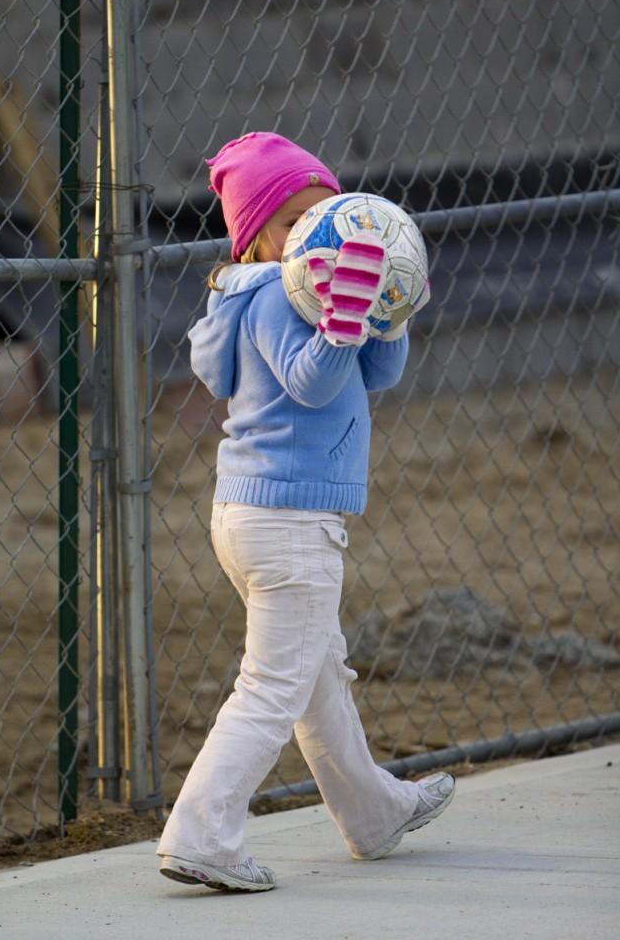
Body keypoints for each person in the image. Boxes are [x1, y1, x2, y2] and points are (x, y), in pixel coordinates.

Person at [156, 132, 455, 893]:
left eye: (325, 214)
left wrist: (389, 310)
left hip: (257, 518)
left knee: (319, 672)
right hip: (288, 527)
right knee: (274, 684)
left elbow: (374, 374)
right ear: (255, 239)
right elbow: (309, 384)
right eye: (292, 223)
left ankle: (372, 811)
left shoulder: (311, 291)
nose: (315, 235)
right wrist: (340, 320)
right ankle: (202, 834)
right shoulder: (269, 296)